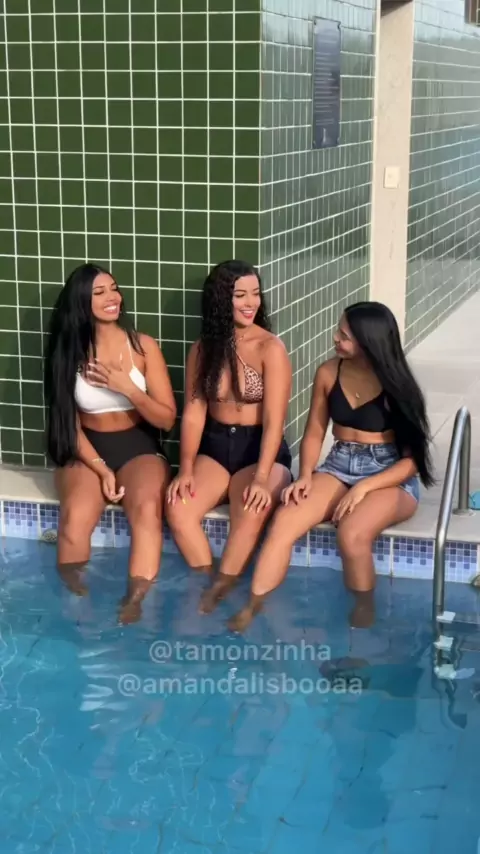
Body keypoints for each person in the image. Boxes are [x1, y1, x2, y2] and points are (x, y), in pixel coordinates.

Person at [226, 301, 434, 631]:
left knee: (352, 534)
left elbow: (412, 463)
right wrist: (306, 475)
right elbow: (314, 432)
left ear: (368, 342)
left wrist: (364, 488)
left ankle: (363, 614)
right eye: (339, 330)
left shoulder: (398, 386)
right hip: (338, 464)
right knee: (284, 521)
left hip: (388, 475)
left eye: (345, 335)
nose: (336, 337)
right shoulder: (328, 372)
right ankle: (253, 607)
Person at [44, 263, 176, 623]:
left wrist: (128, 389)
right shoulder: (68, 352)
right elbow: (67, 425)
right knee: (74, 515)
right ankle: (76, 602)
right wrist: (101, 469)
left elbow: (166, 419)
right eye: (99, 292)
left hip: (138, 447)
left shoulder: (143, 346)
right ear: (81, 302)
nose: (112, 298)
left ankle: (134, 602)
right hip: (87, 449)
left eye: (114, 289)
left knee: (146, 510)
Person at [165, 259, 292, 613]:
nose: (251, 303)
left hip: (259, 449)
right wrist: (185, 469)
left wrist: (262, 478)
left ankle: (218, 594)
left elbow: (275, 422)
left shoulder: (271, 348)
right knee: (177, 509)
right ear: (222, 300)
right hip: (216, 446)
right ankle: (208, 580)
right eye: (240, 295)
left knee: (250, 511)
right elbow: (194, 413)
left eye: (255, 294)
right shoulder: (203, 349)